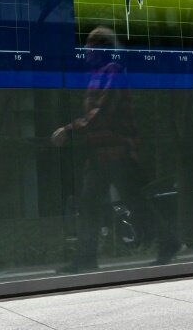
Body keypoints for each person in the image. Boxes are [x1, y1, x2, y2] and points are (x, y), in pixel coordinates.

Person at [51, 26, 144, 272]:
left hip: (117, 152)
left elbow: (101, 114)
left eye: (90, 46)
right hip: (101, 154)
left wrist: (69, 130)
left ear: (102, 48)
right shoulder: (97, 74)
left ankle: (169, 242)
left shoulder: (112, 72)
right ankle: (86, 259)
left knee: (135, 201)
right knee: (89, 204)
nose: (86, 51)